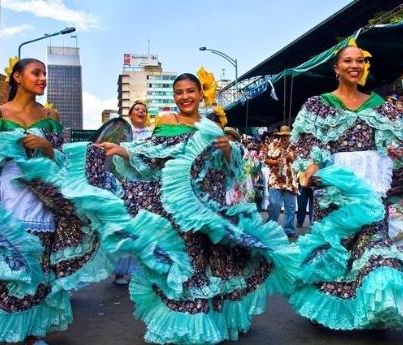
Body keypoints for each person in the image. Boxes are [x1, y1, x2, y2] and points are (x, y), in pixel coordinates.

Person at [93, 73, 299, 344]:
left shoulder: (211, 126)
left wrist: (228, 150)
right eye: (179, 92)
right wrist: (123, 151)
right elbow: (152, 153)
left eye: (191, 91)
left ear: (201, 94)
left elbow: (232, 168)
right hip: (178, 207)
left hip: (211, 206)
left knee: (215, 262)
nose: (185, 97)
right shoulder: (168, 121)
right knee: (188, 262)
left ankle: (211, 319)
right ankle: (190, 325)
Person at [0, 58, 117, 344]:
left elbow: (62, 160)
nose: (43, 78)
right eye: (36, 73)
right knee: (8, 271)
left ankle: (30, 334)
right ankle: (6, 332)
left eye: (44, 73)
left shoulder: (51, 116)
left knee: (37, 271)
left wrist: (46, 146)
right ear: (17, 77)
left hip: (41, 203)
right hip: (6, 198)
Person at [288, 45, 403, 330]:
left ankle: (378, 303)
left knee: (376, 249)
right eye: (348, 61)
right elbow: (308, 141)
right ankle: (337, 310)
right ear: (336, 69)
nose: (355, 65)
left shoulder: (379, 104)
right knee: (337, 252)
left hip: (374, 189)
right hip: (336, 189)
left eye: (360, 61)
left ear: (365, 67)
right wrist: (310, 168)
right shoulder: (318, 105)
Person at [113, 100, 152, 286]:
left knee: (143, 228)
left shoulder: (152, 134)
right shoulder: (122, 134)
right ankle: (120, 272)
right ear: (130, 114)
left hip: (146, 187)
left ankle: (139, 272)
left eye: (144, 110)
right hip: (125, 186)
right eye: (137, 109)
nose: (141, 112)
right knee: (126, 228)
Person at [264, 125, 298, 238]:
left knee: (290, 206)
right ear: (279, 135)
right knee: (275, 204)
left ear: (289, 136)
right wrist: (275, 162)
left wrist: (290, 157)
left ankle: (289, 230)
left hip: (290, 180)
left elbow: (298, 162)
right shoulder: (273, 145)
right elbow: (266, 160)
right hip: (275, 180)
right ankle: (271, 227)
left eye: (286, 135)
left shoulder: (294, 146)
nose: (284, 137)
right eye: (282, 135)